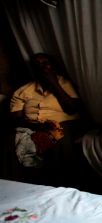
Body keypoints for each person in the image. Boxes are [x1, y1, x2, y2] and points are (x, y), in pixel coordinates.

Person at [9, 53, 84, 186]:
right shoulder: (23, 91)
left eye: (45, 63)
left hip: (63, 124)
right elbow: (16, 119)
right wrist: (38, 128)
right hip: (33, 126)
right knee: (10, 141)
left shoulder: (65, 83)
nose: (42, 67)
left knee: (58, 139)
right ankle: (17, 187)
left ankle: (61, 185)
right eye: (37, 65)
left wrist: (54, 84)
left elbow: (72, 109)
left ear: (53, 67)